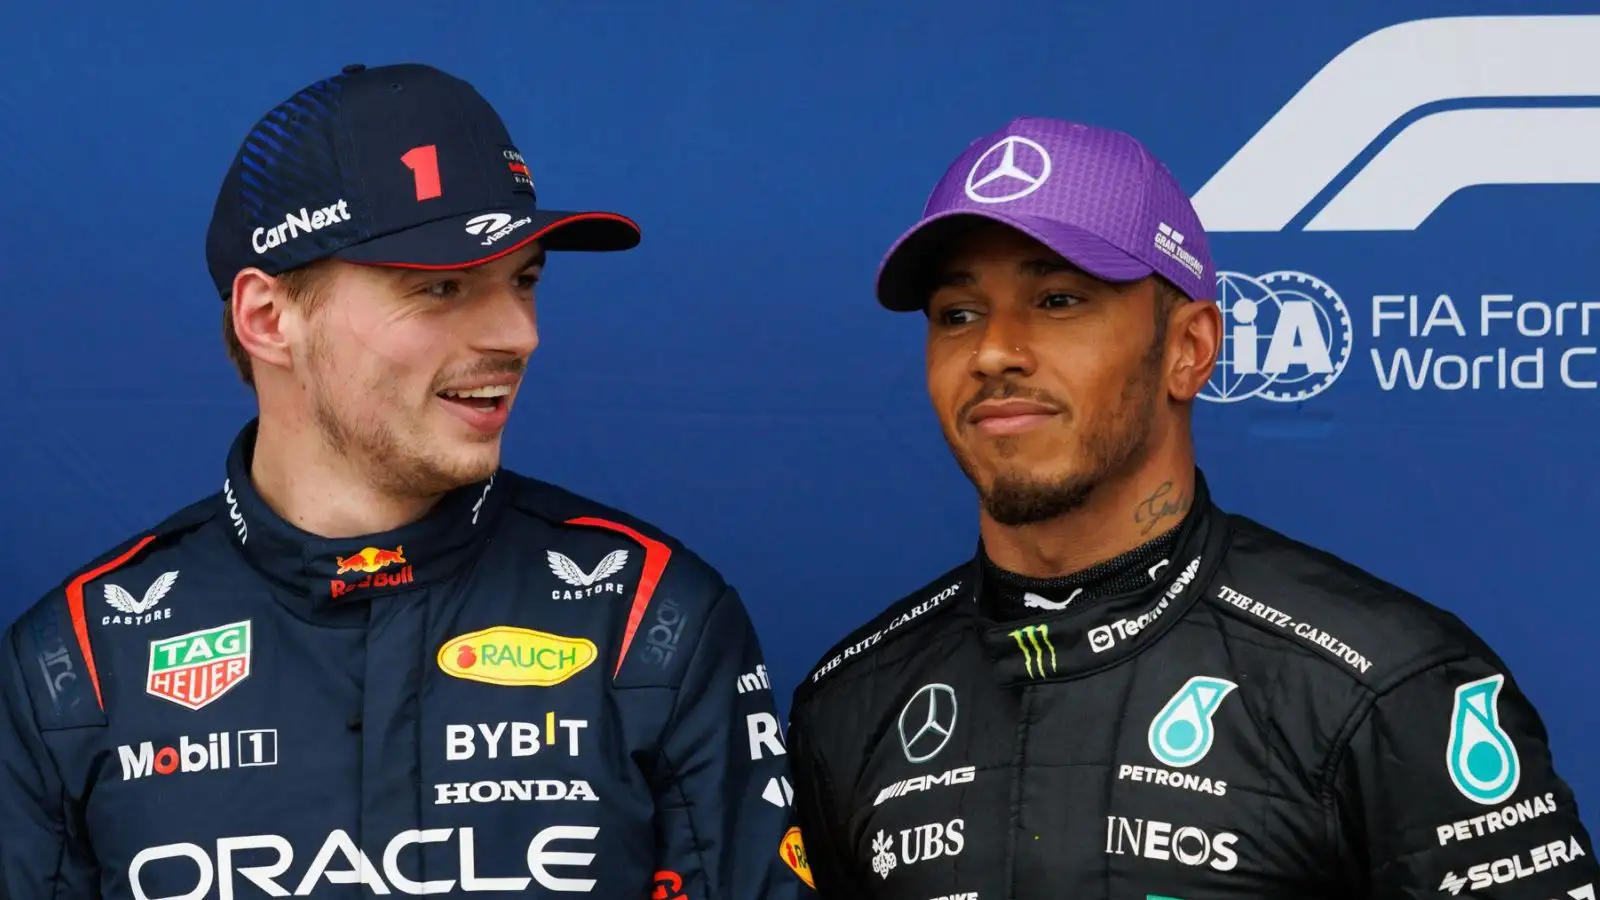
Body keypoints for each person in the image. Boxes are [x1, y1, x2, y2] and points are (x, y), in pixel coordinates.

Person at [0, 62, 813, 900]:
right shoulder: (77, 663)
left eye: (524, 280)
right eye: (441, 286)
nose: (517, 333)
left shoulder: (652, 618)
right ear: (268, 318)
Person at [784, 116, 1598, 899]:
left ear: (1190, 349)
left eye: (1060, 300)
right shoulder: (852, 700)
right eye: (957, 315)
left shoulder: (1385, 686)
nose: (994, 351)